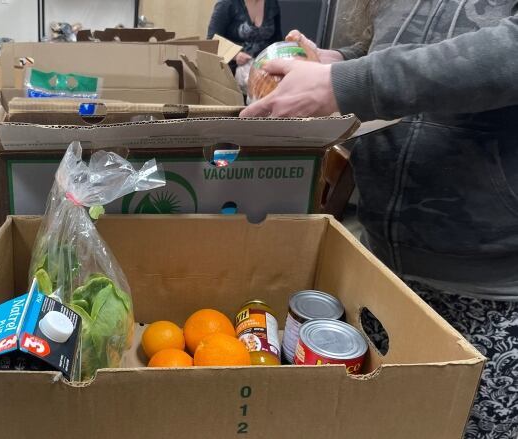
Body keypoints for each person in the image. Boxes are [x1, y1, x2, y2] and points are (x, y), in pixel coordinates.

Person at [240, 1, 518, 436]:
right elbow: (405, 46)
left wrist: (349, 83)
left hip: (490, 292)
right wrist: (342, 62)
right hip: (383, 268)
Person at [207, 0, 283, 93]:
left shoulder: (271, 3)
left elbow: (277, 40)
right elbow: (212, 41)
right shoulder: (226, 4)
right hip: (233, 75)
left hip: (265, 73)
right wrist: (235, 55)